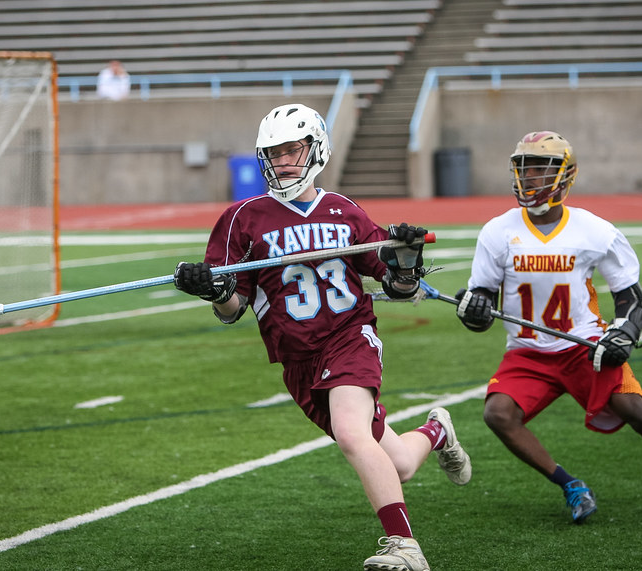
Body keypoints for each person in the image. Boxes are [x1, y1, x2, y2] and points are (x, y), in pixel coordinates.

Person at [174, 103, 471, 571]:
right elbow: (233, 310)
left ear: (316, 149)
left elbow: (397, 285)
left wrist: (406, 259)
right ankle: (437, 432)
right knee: (397, 464)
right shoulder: (242, 218)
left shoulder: (344, 210)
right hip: (297, 358)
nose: (285, 161)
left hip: (349, 335)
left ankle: (406, 548)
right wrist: (214, 289)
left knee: (354, 436)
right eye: (275, 153)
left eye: (294, 149)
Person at [455, 130, 642, 523]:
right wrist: (472, 308)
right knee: (498, 414)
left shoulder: (594, 230)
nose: (530, 177)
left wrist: (624, 333)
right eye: (524, 168)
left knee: (637, 412)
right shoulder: (497, 231)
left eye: (541, 168)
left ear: (566, 175)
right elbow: (482, 307)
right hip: (527, 352)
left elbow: (633, 299)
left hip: (583, 346)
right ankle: (571, 485)